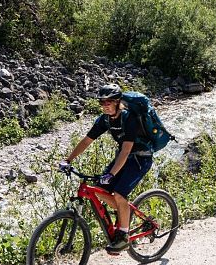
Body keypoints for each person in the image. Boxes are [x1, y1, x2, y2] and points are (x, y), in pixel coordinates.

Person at [59, 83, 153, 253]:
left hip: (140, 158)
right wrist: (68, 160)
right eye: (101, 103)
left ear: (117, 101)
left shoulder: (129, 118)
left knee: (119, 194)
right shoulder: (105, 119)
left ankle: (123, 235)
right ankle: (124, 211)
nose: (104, 106)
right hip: (123, 158)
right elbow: (87, 141)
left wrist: (111, 174)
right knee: (98, 189)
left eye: (108, 102)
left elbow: (126, 150)